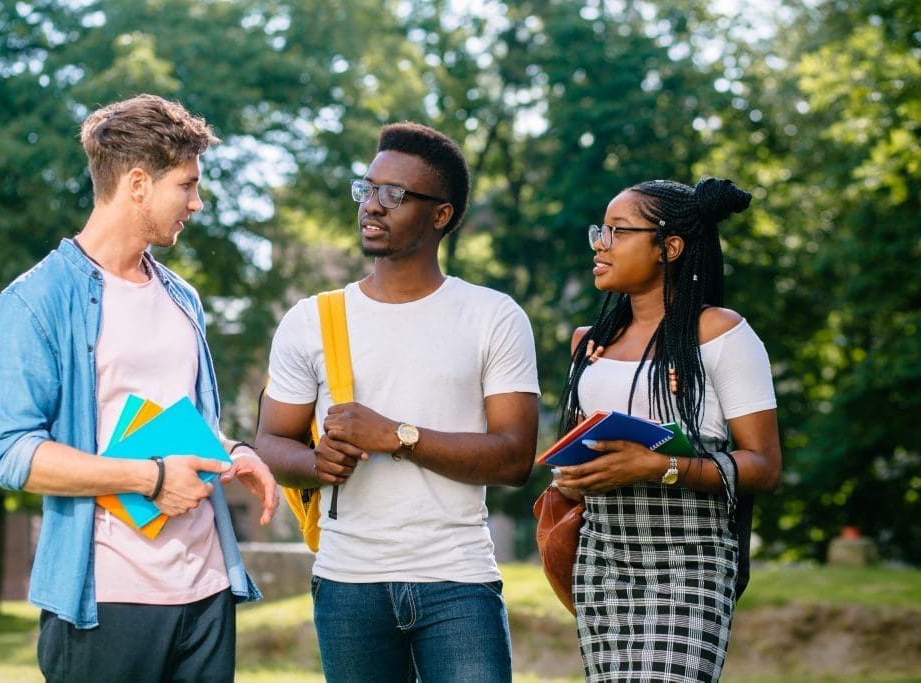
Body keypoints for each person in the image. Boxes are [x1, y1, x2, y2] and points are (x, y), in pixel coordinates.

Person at [0, 94, 279, 682]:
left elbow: (186, 418)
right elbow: (12, 453)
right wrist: (152, 478)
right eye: (186, 185)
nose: (197, 202)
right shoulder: (34, 303)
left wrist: (234, 454)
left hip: (206, 590)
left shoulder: (181, 298)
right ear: (138, 183)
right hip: (106, 599)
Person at [256, 122, 540, 682]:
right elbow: (269, 442)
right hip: (346, 585)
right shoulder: (313, 319)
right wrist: (314, 464)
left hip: (458, 581)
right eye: (367, 189)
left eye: (394, 195)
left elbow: (514, 459)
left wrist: (398, 436)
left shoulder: (492, 316)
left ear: (441, 215)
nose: (372, 207)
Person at [552, 177, 782, 682]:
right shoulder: (588, 345)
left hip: (690, 559)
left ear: (669, 247)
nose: (600, 245)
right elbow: (573, 452)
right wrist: (569, 476)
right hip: (603, 560)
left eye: (618, 232)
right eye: (600, 231)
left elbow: (764, 465)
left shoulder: (721, 334)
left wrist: (661, 467)